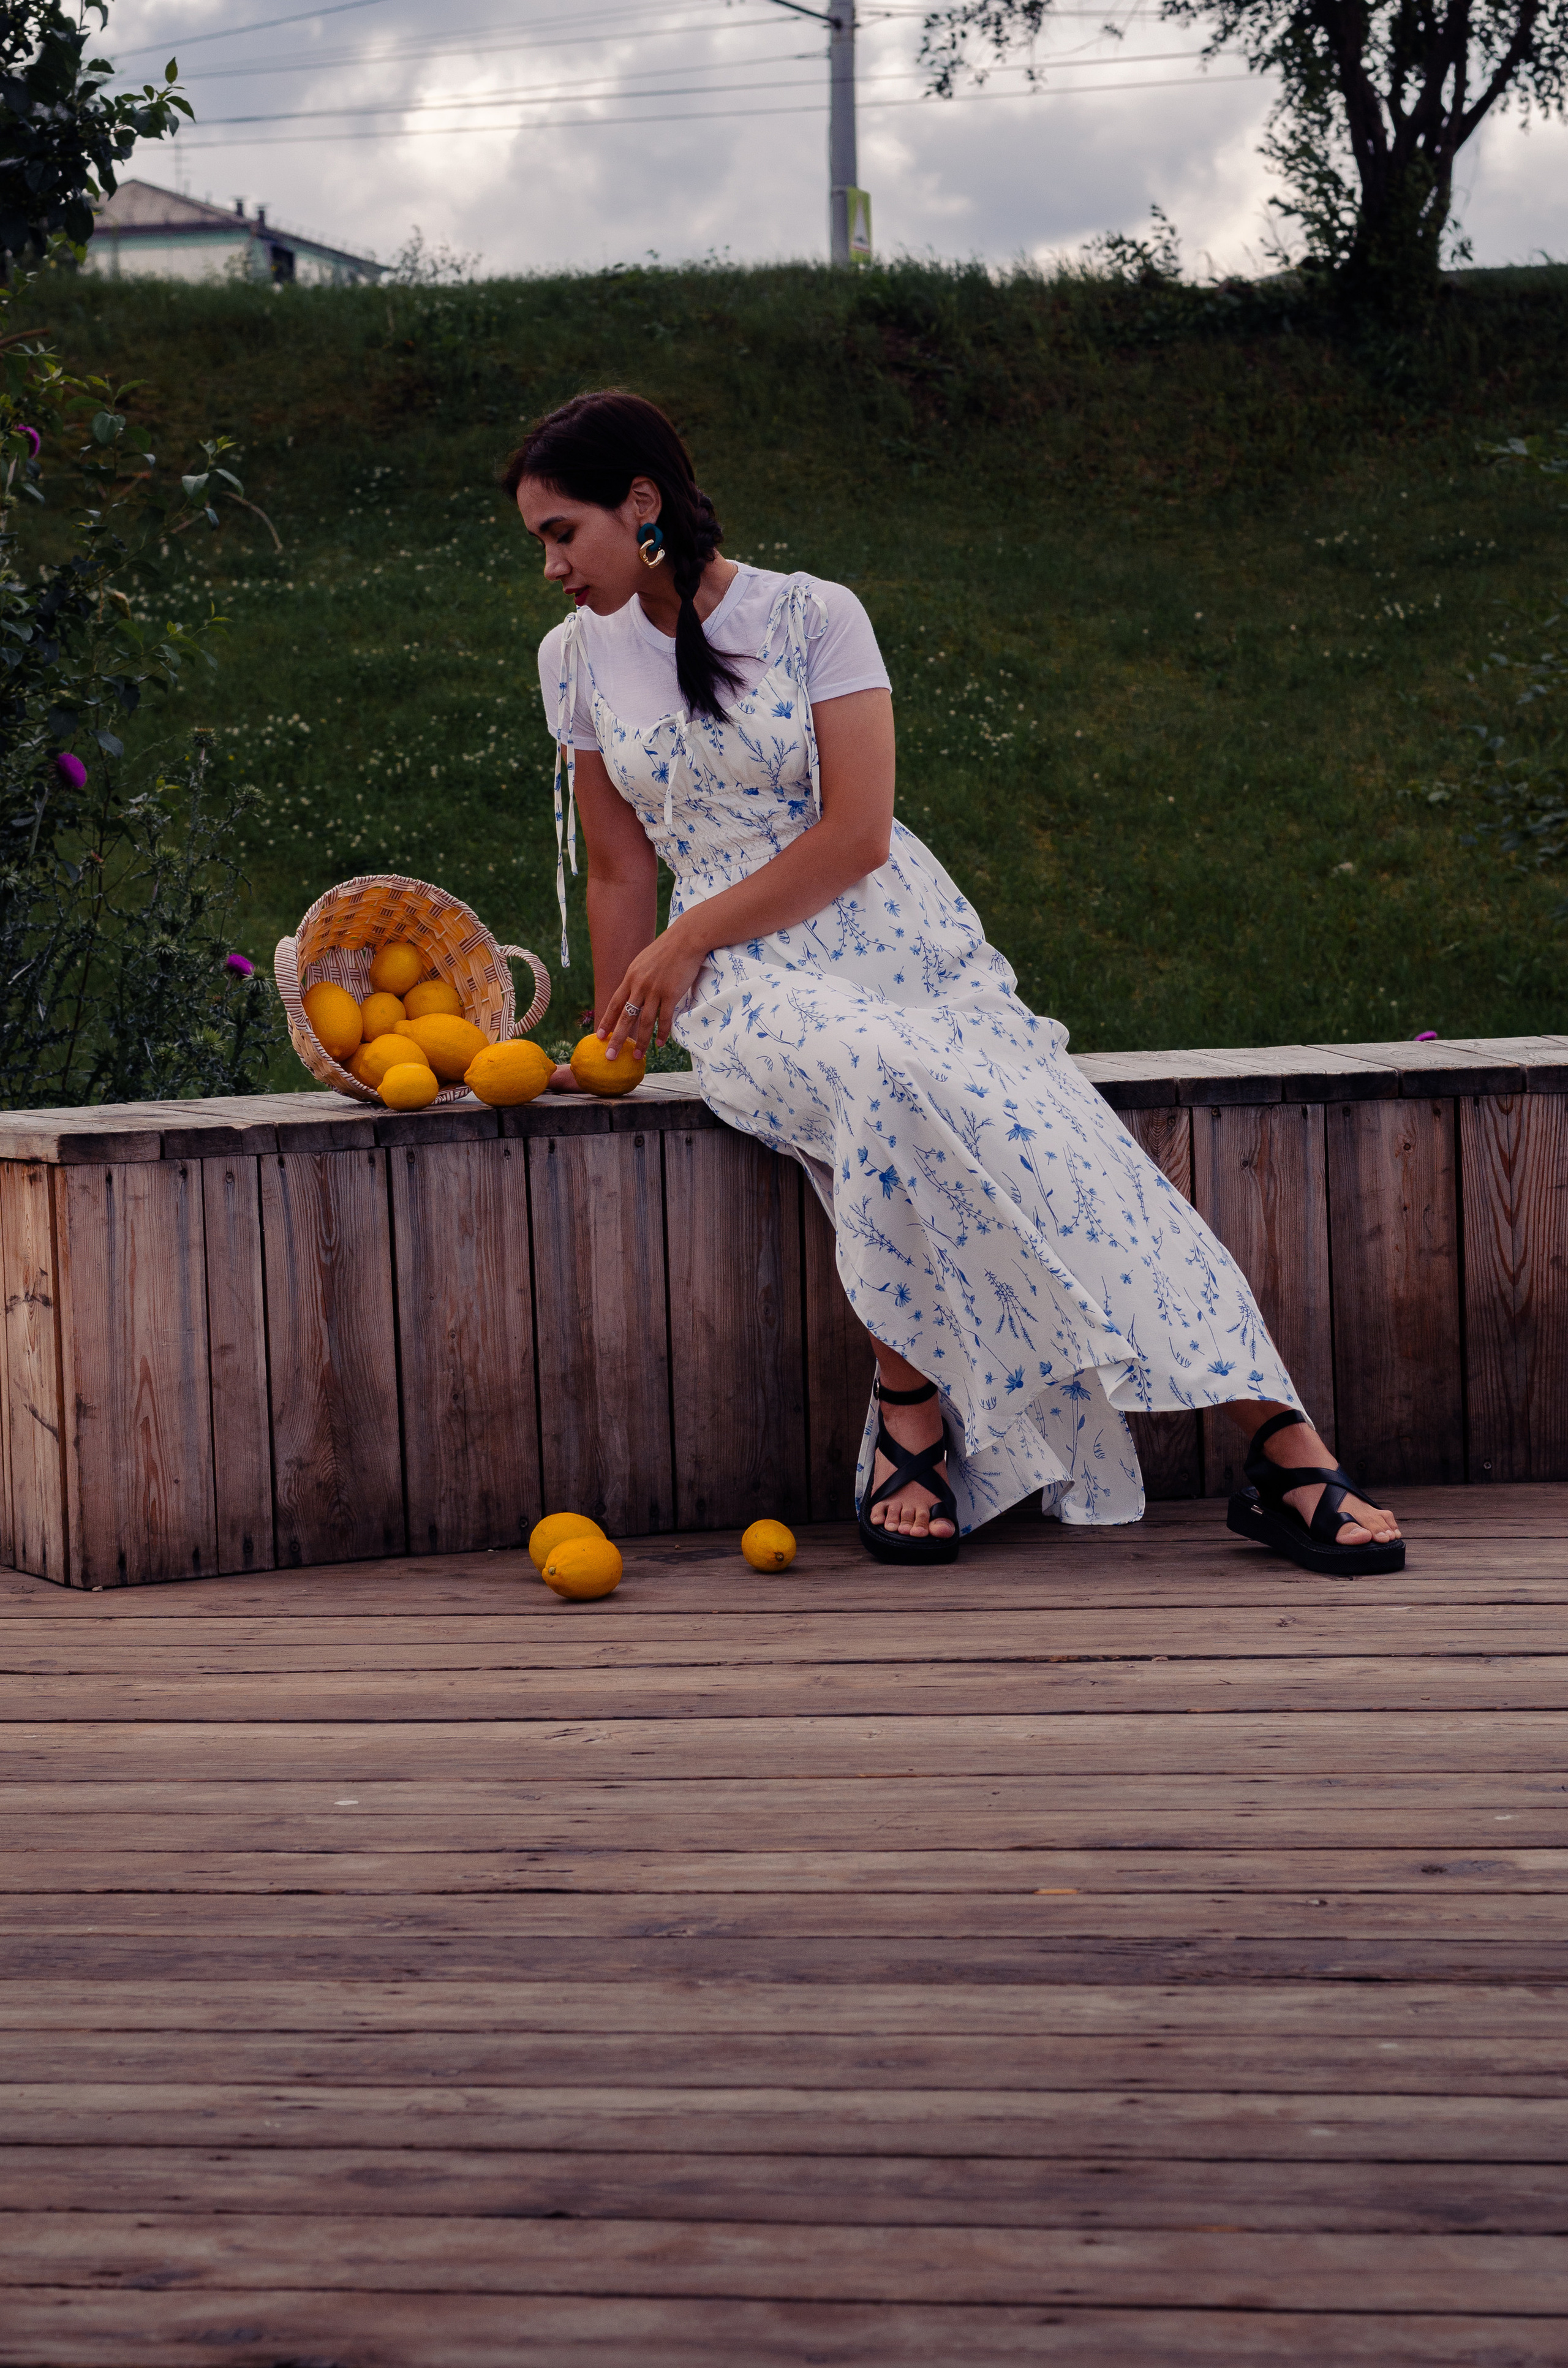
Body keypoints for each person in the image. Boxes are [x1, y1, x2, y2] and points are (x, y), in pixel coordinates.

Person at [505, 389, 1404, 1575]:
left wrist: (687, 938)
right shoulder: (572, 658)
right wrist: (616, 1024)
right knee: (882, 1072)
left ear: (641, 503)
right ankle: (911, 1398)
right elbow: (621, 863)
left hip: (896, 937)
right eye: (540, 545)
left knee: (1049, 1125)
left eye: (563, 533)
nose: (553, 567)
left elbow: (857, 836)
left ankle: (1278, 1441)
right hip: (749, 981)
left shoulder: (813, 616)